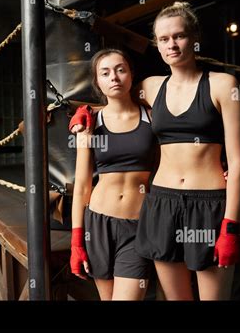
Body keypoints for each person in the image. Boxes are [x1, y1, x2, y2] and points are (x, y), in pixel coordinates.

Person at [70, 2, 240, 300]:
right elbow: (117, 96)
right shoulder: (150, 87)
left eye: (179, 36)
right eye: (163, 39)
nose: (172, 44)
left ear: (194, 38)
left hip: (208, 204)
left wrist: (230, 226)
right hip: (161, 204)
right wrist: (85, 111)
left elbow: (239, 161)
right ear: (157, 44)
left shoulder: (224, 85)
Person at [69, 48, 158, 300]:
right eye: (105, 73)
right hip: (97, 224)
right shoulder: (89, 123)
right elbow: (83, 185)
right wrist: (77, 241)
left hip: (138, 226)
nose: (114, 77)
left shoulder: (151, 118)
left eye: (121, 70)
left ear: (131, 74)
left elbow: (171, 162)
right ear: (97, 82)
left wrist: (220, 168)